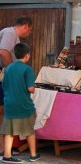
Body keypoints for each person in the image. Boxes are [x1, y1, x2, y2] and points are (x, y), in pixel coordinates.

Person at [1, 43, 40, 163]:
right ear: (27, 55)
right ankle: (33, 155)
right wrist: (34, 87)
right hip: (23, 105)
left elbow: (4, 85)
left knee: (9, 131)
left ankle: (7, 156)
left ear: (15, 54)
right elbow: (30, 89)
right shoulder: (27, 69)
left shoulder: (8, 68)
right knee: (29, 131)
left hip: (9, 104)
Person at [0, 17, 32, 155]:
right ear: (25, 26)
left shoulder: (12, 35)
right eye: (29, 30)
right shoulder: (10, 33)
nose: (29, 33)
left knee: (2, 111)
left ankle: (3, 147)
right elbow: (3, 52)